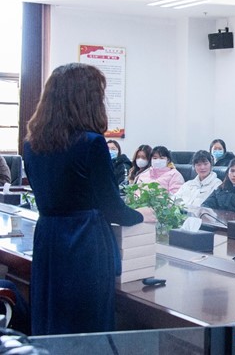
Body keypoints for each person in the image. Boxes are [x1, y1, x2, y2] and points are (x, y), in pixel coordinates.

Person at [23, 63, 156, 335]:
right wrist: (141, 214)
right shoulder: (92, 143)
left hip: (48, 239)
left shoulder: (31, 144)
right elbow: (112, 207)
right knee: (86, 327)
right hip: (84, 242)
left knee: (52, 319)